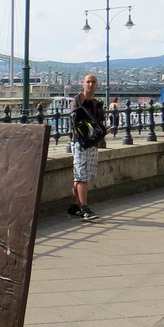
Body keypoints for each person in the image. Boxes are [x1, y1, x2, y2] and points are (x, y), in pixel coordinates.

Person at [68, 74, 106, 221]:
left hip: (92, 143)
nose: (90, 84)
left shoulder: (97, 103)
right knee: (81, 175)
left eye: (93, 82)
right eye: (88, 82)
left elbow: (99, 122)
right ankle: (84, 208)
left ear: (97, 85)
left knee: (82, 176)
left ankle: (74, 207)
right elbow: (75, 119)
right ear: (83, 84)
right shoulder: (78, 100)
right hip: (80, 143)